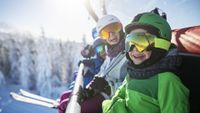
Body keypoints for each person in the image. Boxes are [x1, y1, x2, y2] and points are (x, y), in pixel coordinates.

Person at [102, 10, 189, 113]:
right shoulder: (133, 72)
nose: (134, 49)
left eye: (141, 42)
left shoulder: (167, 81)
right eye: (130, 42)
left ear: (161, 45)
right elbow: (117, 97)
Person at [83, 14, 127, 113]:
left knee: (83, 108)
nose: (111, 35)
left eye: (115, 28)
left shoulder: (129, 50)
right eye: (105, 34)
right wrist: (93, 85)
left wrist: (107, 86)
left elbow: (131, 82)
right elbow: (103, 71)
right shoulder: (109, 51)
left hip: (117, 97)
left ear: (120, 29)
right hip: (107, 93)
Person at [57, 37, 106, 113]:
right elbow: (96, 63)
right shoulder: (98, 61)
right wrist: (89, 62)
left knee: (67, 105)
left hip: (98, 91)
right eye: (99, 49)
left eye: (104, 48)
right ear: (96, 52)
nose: (103, 51)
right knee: (64, 97)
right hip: (90, 89)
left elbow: (100, 71)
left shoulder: (108, 60)